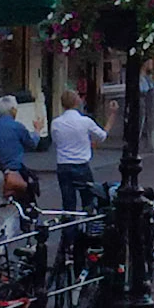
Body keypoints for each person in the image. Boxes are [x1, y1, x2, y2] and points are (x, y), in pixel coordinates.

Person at [47, 89, 105, 218]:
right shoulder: (85, 121)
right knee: (88, 201)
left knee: (68, 202)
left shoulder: (56, 123)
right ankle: (88, 228)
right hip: (82, 165)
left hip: (64, 165)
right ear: (77, 102)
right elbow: (102, 136)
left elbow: (56, 141)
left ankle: (69, 231)